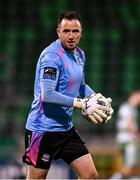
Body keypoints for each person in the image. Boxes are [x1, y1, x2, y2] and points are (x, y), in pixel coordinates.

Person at [22, 11, 113, 179]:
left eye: (75, 31)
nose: (71, 36)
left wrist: (96, 98)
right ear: (58, 32)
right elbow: (47, 95)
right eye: (66, 31)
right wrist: (80, 104)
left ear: (81, 32)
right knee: (36, 179)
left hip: (66, 129)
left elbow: (81, 85)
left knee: (90, 175)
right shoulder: (51, 56)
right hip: (42, 130)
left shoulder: (79, 54)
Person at [110, 90, 140, 179]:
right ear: (135, 95)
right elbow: (129, 124)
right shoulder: (129, 108)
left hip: (122, 139)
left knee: (127, 165)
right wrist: (137, 135)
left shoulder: (125, 107)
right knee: (130, 165)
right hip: (128, 140)